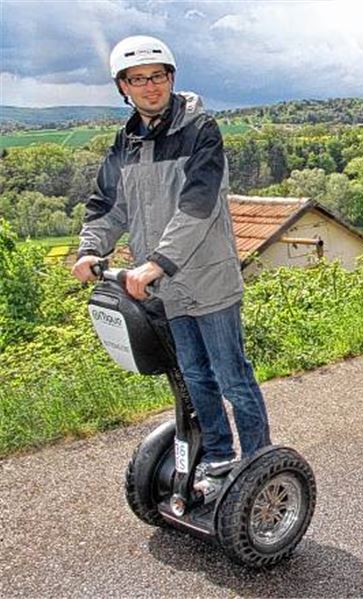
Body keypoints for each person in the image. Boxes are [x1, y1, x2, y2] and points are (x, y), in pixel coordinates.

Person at [71, 36, 270, 494]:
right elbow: (108, 204)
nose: (149, 87)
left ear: (171, 78)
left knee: (231, 376)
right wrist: (89, 249)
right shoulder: (128, 140)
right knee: (194, 376)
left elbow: (197, 206)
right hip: (163, 287)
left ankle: (259, 463)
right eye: (137, 80)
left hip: (208, 277)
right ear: (123, 87)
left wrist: (156, 263)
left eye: (156, 77)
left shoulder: (201, 129)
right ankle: (219, 458)